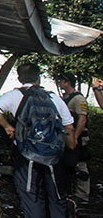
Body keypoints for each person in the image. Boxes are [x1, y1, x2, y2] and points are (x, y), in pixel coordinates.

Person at [0, 63, 75, 218]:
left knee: (31, 196)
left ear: (19, 78)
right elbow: (69, 127)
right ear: (39, 77)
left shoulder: (15, 95)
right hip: (53, 157)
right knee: (57, 197)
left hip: (26, 155)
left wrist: (7, 127)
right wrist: (71, 149)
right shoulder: (53, 97)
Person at [55, 72, 89, 205]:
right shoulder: (66, 98)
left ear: (67, 82)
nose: (60, 83)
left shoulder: (78, 99)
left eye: (62, 81)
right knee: (68, 162)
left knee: (80, 163)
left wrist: (76, 137)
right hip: (67, 135)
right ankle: (68, 191)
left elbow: (82, 119)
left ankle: (82, 194)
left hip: (78, 137)